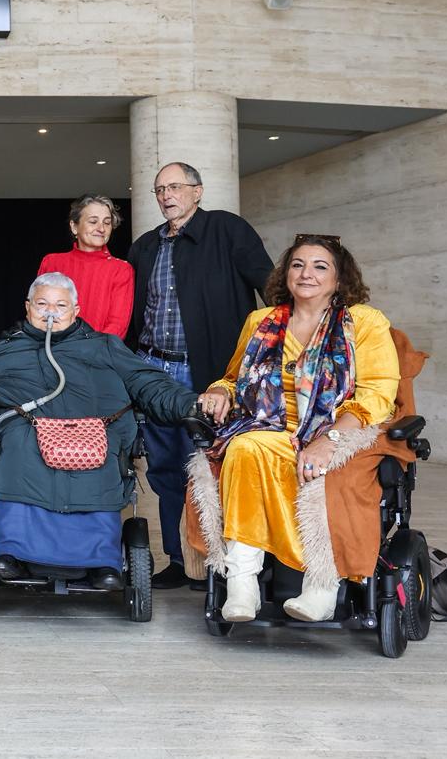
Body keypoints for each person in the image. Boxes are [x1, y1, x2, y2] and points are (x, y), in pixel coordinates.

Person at [0, 273, 196, 595]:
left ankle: (103, 559)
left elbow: (152, 384)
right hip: (26, 432)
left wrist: (194, 405)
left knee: (102, 452)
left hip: (95, 434)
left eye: (60, 305)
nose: (50, 312)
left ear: (76, 310)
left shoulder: (105, 346)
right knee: (19, 444)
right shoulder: (3, 351)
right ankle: (12, 551)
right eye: (42, 304)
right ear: (28, 307)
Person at [190, 235, 399, 623]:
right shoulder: (261, 321)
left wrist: (330, 438)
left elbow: (377, 395)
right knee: (244, 449)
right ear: (285, 273)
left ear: (339, 279)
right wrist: (219, 390)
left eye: (321, 266)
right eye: (298, 264)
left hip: (339, 429)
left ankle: (322, 584)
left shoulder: (365, 322)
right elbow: (235, 378)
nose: (307, 274)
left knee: (327, 471)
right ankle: (243, 583)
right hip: (268, 426)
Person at [126, 162, 271, 590]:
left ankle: (221, 562)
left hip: (210, 374)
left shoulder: (227, 231)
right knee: (166, 469)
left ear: (198, 191)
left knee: (213, 467)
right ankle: (178, 558)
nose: (166, 195)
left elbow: (272, 290)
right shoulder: (145, 246)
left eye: (175, 186)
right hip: (154, 370)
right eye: (159, 190)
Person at [38, 194, 133, 338]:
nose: (101, 228)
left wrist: (85, 352)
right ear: (74, 227)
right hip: (51, 351)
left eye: (107, 223)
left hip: (97, 356)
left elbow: (117, 326)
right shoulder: (51, 262)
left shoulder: (121, 270)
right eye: (93, 221)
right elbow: (38, 314)